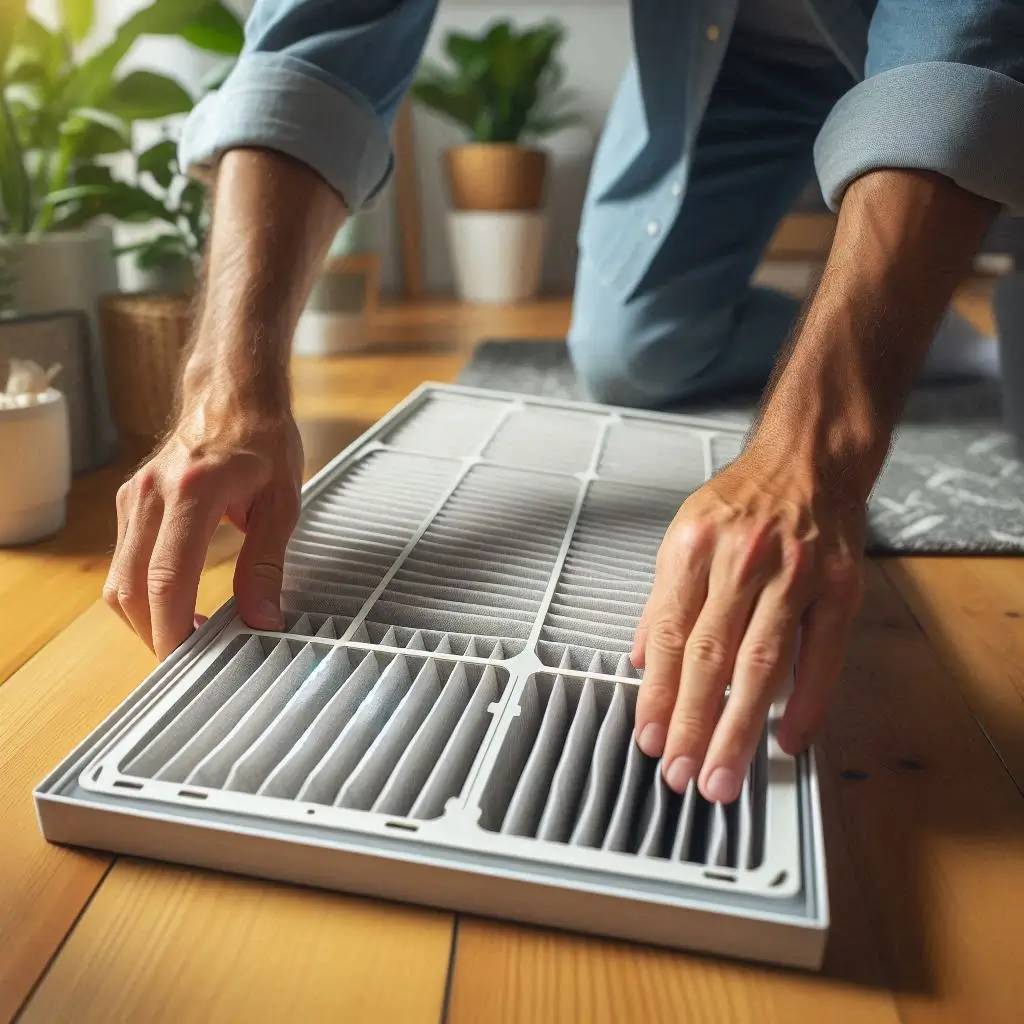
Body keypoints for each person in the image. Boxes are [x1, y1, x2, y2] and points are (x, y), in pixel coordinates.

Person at [104, 0, 1024, 807]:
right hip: (733, 43)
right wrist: (224, 386)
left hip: (936, 24)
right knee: (632, 348)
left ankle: (931, 296)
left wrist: (817, 446)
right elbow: (321, 35)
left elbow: (957, 39)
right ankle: (928, 333)